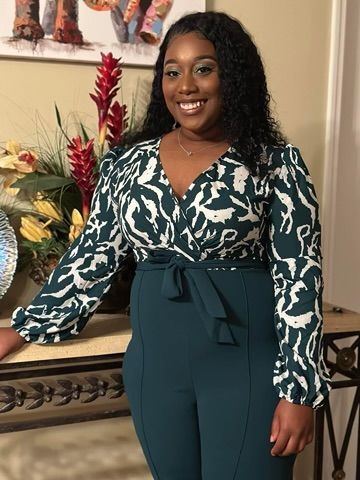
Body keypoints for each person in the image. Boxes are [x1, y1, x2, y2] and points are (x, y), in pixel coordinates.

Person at [0, 11, 331, 479]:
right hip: (155, 372)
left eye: (203, 68)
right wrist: (21, 328)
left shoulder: (274, 164)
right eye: (172, 71)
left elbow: (300, 277)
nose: (186, 86)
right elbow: (91, 258)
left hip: (248, 368)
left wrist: (299, 390)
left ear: (232, 76)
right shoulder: (127, 164)